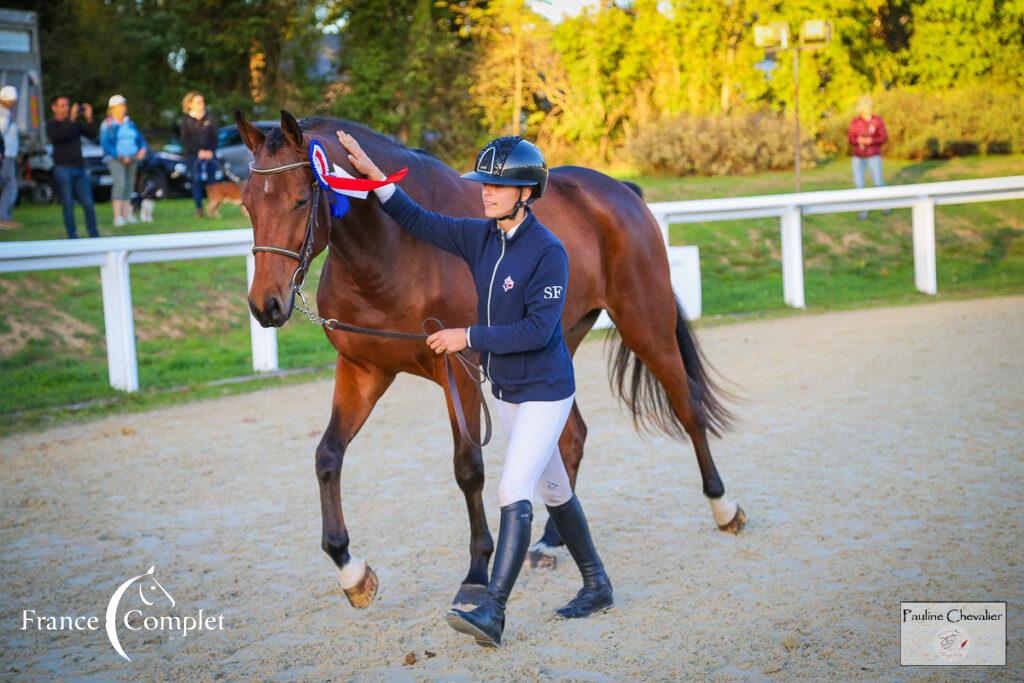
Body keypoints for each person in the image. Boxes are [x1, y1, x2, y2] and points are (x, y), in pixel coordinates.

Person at [337, 130, 614, 647]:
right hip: (506, 391)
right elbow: (419, 220)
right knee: (555, 488)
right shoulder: (481, 236)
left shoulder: (549, 252)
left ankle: (493, 610)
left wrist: (467, 335)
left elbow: (536, 329)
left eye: (496, 186)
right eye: (483, 183)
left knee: (514, 490)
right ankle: (597, 583)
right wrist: (376, 180)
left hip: (546, 391)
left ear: (526, 193)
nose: (484, 192)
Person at [46, 96, 100, 239]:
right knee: (68, 204)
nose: (67, 108)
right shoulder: (52, 124)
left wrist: (89, 118)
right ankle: (72, 235)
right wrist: (72, 118)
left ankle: (93, 234)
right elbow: (59, 137)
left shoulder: (74, 123)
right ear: (54, 107)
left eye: (68, 105)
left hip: (79, 168)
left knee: (88, 203)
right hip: (62, 169)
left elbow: (93, 135)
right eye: (63, 105)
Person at [99, 94, 148, 227]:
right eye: (119, 106)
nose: (122, 108)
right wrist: (119, 155)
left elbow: (140, 139)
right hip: (116, 159)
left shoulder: (129, 122)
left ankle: (127, 214)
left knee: (129, 185)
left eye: (123, 105)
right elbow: (105, 144)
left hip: (132, 157)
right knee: (120, 183)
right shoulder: (108, 124)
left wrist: (143, 149)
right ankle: (117, 216)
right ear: (112, 108)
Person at [847, 95, 889, 220]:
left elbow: (883, 137)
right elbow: (851, 138)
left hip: (873, 155)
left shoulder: (877, 121)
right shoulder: (855, 122)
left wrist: (871, 141)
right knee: (859, 184)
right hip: (858, 156)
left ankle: (886, 205)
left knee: (878, 181)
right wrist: (858, 140)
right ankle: (863, 210)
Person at [179, 91, 218, 218]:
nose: (202, 104)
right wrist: (198, 151)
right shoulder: (185, 120)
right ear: (190, 104)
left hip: (210, 155)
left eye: (203, 101)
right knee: (196, 181)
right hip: (193, 156)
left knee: (212, 183)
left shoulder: (210, 118)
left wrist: (210, 151)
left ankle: (212, 209)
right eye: (198, 102)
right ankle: (199, 209)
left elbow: (215, 138)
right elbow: (185, 140)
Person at [0, 85, 21, 229]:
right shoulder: (4, 114)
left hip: (7, 155)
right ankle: (3, 218)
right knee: (10, 186)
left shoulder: (5, 113)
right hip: (5, 156)